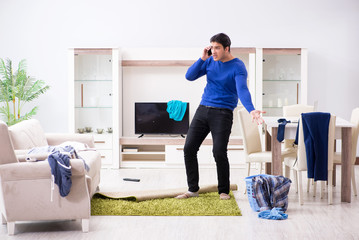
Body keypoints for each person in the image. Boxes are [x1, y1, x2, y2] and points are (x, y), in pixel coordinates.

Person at [175, 33, 265, 200]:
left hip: (222, 113)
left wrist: (251, 109)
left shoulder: (238, 66)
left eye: (217, 48)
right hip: (203, 109)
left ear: (226, 48)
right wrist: (202, 58)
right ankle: (192, 189)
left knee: (219, 151)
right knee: (189, 148)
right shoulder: (210, 61)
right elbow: (189, 76)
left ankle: (223, 190)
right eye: (212, 47)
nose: (214, 51)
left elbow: (242, 90)